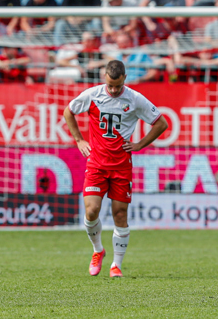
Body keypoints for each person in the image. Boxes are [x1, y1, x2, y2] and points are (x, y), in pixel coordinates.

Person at [63, 60, 168, 278]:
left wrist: (140, 144)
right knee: (91, 211)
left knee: (120, 214)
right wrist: (79, 140)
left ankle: (116, 265)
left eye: (117, 86)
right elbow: (68, 112)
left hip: (121, 166)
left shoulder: (135, 99)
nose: (113, 90)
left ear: (124, 79)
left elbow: (161, 123)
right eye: (110, 85)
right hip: (96, 164)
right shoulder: (92, 95)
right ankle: (98, 250)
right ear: (104, 78)